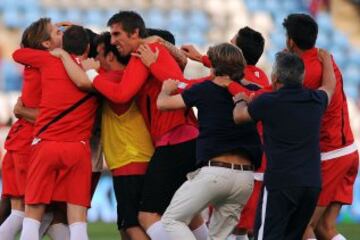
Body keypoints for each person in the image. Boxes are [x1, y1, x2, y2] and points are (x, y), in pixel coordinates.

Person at [157, 43, 262, 240]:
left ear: (213, 67)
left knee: (172, 220)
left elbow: (163, 104)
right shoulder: (253, 91)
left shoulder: (204, 89)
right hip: (245, 178)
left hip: (215, 172)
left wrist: (165, 89)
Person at [233, 50, 336, 240]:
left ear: (275, 76)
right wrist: (327, 61)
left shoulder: (268, 101)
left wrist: (240, 101)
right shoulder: (315, 100)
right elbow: (330, 87)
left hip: (281, 183)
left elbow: (239, 117)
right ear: (302, 77)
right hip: (311, 184)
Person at [12, 22, 98, 240]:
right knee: (77, 219)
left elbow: (18, 53)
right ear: (88, 48)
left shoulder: (48, 60)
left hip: (46, 145)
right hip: (78, 149)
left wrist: (56, 53)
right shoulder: (97, 71)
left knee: (33, 215)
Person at [282, 13, 359, 240]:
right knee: (324, 229)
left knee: (302, 227)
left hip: (330, 155)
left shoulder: (301, 73)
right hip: (348, 151)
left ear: (290, 41)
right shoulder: (327, 59)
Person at [0, 18, 60, 240]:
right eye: (56, 32)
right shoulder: (50, 64)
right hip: (29, 142)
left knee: (19, 211)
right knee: (38, 212)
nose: (61, 33)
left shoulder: (34, 65)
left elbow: (19, 53)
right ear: (45, 44)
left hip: (17, 141)